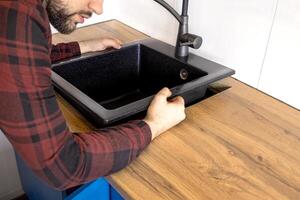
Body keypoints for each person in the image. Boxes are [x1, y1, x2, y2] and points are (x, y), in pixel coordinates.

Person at [0, 0, 186, 190]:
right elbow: (63, 165)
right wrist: (155, 124)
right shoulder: (17, 16)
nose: (98, 8)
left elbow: (30, 54)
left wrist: (84, 46)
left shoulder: (21, 11)